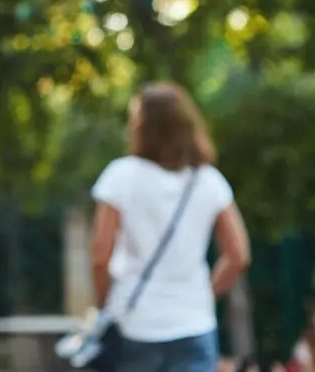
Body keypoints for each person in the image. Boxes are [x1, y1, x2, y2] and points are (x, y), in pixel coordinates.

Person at [89, 82, 251, 372]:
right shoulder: (209, 180)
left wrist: (105, 303)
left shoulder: (121, 175)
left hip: (134, 322)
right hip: (193, 322)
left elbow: (101, 255)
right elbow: (238, 255)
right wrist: (205, 294)